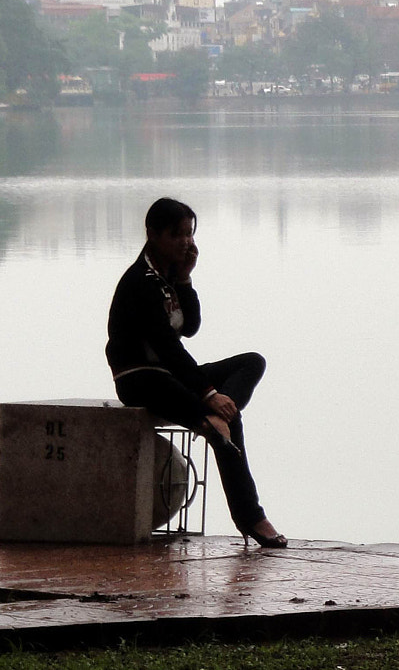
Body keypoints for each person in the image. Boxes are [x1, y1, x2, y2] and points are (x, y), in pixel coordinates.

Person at [106, 197, 286, 548]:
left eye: (189, 234)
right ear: (153, 234)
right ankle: (251, 517)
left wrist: (186, 280)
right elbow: (169, 348)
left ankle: (216, 418)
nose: (186, 242)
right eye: (177, 235)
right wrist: (208, 395)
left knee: (252, 362)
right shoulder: (140, 281)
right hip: (140, 378)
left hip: (169, 375)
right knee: (223, 420)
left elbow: (190, 328)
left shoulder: (169, 275)